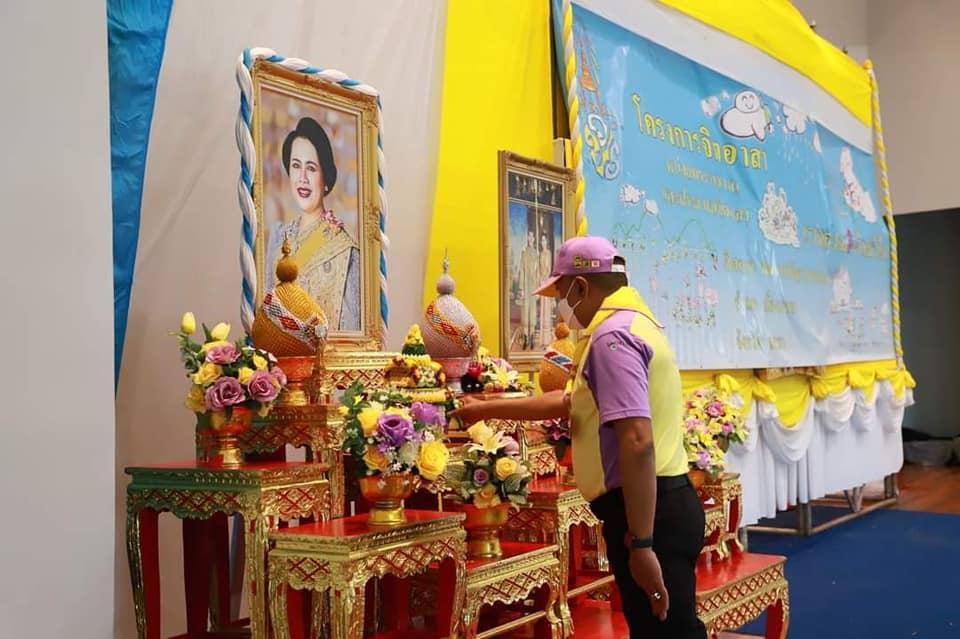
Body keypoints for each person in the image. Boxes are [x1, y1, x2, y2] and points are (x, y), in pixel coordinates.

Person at [453, 236, 706, 639]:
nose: (563, 308)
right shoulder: (634, 325)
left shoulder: (612, 338)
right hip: (659, 503)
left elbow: (637, 441)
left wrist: (642, 544)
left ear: (582, 287)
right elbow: (571, 401)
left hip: (647, 511)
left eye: (562, 296)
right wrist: (485, 407)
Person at [266, 116, 360, 331]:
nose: (302, 178)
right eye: (296, 166)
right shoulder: (278, 237)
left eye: (311, 168)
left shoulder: (345, 249)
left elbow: (352, 328)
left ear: (325, 178)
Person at [517, 229, 540, 349]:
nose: (530, 238)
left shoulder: (536, 253)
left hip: (533, 285)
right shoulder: (524, 252)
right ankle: (526, 338)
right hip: (526, 284)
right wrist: (521, 288)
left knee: (532, 312)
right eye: (529, 236)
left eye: (532, 236)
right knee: (525, 311)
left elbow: (538, 272)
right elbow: (521, 270)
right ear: (527, 238)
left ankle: (531, 338)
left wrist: (538, 288)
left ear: (534, 239)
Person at [538, 233, 555, 348]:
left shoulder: (548, 253)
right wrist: (540, 280)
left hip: (546, 282)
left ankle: (547, 340)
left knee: (547, 311)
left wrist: (545, 280)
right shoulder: (540, 254)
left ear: (547, 242)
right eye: (541, 240)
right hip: (542, 282)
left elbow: (548, 269)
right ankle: (542, 341)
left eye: (544, 240)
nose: (543, 242)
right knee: (542, 310)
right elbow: (539, 269)